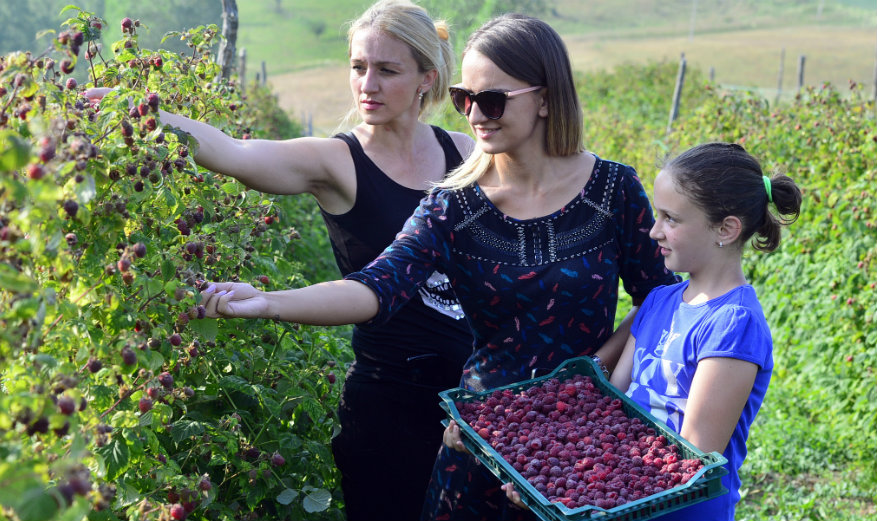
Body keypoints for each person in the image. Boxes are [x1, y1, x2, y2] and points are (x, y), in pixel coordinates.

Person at [198, 13, 678, 520]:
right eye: (464, 99)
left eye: (492, 100)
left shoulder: (612, 191)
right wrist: (269, 303)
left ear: (544, 97)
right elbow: (376, 288)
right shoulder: (453, 205)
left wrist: (595, 380)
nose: (476, 116)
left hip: (578, 444)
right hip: (479, 442)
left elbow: (661, 298)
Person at [87, 2, 475, 520]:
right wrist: (138, 108)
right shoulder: (336, 161)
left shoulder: (465, 153)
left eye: (387, 70)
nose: (367, 84)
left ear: (427, 77)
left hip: (477, 397)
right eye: (359, 67)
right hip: (391, 405)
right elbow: (237, 154)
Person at [604, 142, 802, 520]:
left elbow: (693, 456)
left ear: (725, 229)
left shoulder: (733, 324)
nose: (653, 232)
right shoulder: (659, 301)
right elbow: (612, 404)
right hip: (624, 497)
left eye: (671, 219)